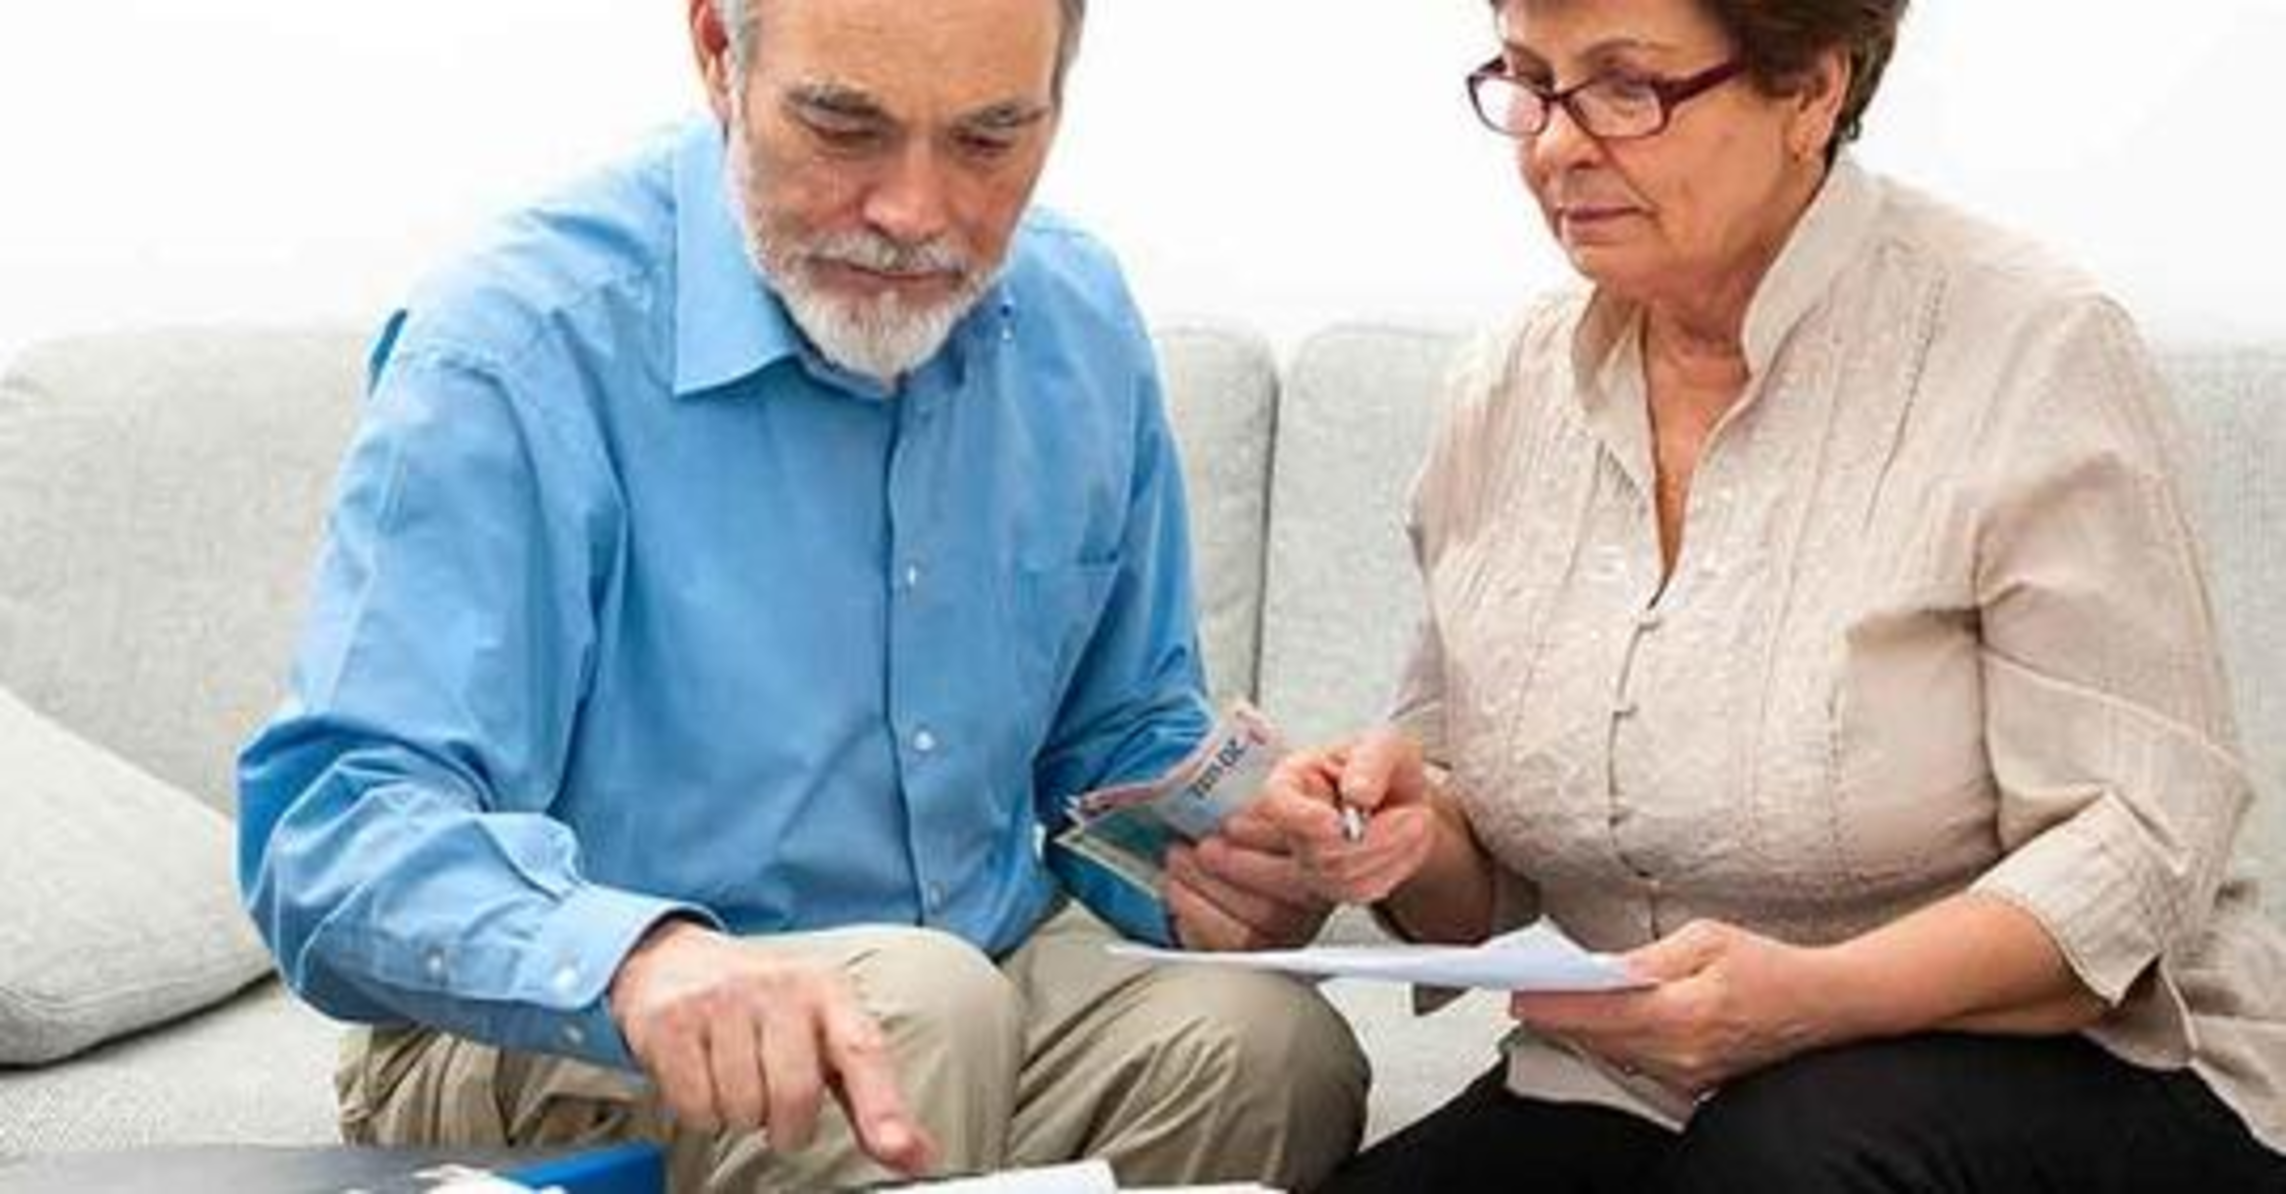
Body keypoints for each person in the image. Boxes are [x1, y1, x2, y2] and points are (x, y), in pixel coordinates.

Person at [234, 0, 1365, 1189]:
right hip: (572, 1019)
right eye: (844, 127)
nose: (915, 214)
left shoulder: (1075, 321)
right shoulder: (518, 345)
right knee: (911, 1013)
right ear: (719, 54)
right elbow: (335, 830)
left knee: (1262, 1051)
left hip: (962, 980)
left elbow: (1115, 737)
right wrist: (640, 960)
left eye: (987, 139)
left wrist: (1224, 852)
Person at [1226, 0, 2286, 1189]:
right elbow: (1479, 849)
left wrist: (1813, 998)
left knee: (1778, 1158)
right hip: (1654, 1082)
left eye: (1625, 87)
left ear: (1813, 88)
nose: (1557, 145)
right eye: (1532, 81)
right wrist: (1407, 835)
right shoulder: (1506, 388)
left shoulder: (2031, 353)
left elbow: (2136, 849)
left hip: (2073, 1066)